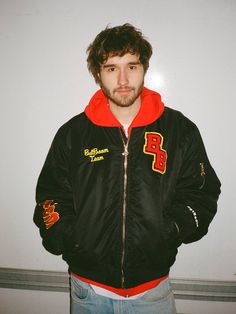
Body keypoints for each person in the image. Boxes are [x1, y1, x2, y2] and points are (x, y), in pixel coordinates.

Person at [34, 23, 221, 314]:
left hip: (153, 292)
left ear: (144, 68)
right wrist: (70, 238)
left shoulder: (179, 131)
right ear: (98, 74)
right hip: (88, 291)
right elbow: (51, 194)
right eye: (111, 68)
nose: (123, 79)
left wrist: (170, 230)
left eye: (131, 66)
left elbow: (202, 193)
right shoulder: (73, 134)